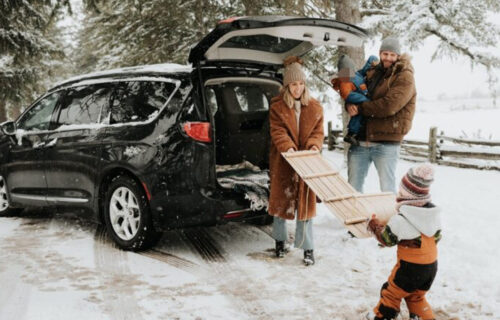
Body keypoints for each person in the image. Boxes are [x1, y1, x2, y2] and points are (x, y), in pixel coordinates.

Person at [268, 56, 324, 266]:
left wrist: (313, 146)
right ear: (287, 86)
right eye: (293, 84)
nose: (298, 88)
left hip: (307, 162)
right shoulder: (277, 107)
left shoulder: (316, 107)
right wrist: (288, 148)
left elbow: (318, 132)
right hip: (284, 161)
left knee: (306, 206)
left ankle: (307, 248)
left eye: (301, 84)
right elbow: (278, 131)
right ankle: (280, 242)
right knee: (281, 203)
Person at [367, 163, 442, 320]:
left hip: (410, 269)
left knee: (391, 292)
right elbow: (437, 237)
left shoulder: (400, 220)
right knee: (416, 296)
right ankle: (424, 317)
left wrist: (374, 227)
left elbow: (387, 240)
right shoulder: (433, 216)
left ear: (405, 194)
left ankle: (383, 316)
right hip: (431, 267)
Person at [346, 36, 416, 193]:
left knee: (387, 189)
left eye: (392, 55)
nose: (388, 58)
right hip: (361, 140)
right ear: (380, 53)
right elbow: (355, 91)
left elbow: (389, 106)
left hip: (386, 142)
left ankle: (388, 217)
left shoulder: (405, 75)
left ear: (398, 56)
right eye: (385, 54)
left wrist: (361, 108)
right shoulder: (372, 72)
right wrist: (349, 105)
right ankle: (356, 217)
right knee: (352, 187)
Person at [331, 54, 379, 146]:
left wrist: (372, 60)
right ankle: (351, 134)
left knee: (358, 115)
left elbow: (364, 70)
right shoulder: (344, 81)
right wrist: (364, 99)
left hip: (364, 102)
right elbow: (347, 94)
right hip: (358, 100)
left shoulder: (357, 75)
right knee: (357, 115)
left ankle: (352, 134)